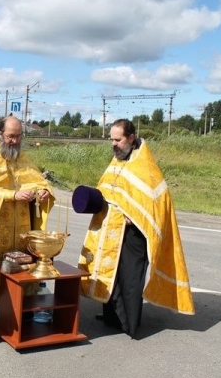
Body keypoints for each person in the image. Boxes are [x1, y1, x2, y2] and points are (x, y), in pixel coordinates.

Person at [77, 118, 195, 337]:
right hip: (113, 227)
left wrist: (134, 216)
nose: (114, 144)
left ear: (131, 138)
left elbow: (156, 204)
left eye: (118, 140)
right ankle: (112, 316)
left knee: (130, 279)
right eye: (111, 139)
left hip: (135, 234)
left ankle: (130, 325)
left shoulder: (145, 166)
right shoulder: (117, 161)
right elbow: (108, 189)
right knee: (111, 274)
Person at [0, 116, 55, 324]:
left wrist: (43, 192)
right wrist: (12, 195)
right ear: (0, 134)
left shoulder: (23, 158)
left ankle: (23, 309)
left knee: (23, 265)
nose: (15, 141)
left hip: (22, 226)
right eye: (11, 136)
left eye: (18, 136)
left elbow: (39, 181)